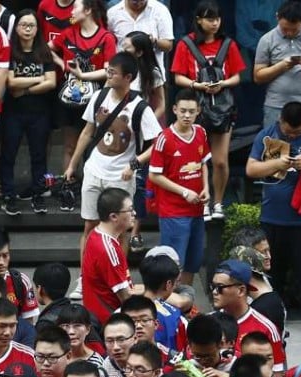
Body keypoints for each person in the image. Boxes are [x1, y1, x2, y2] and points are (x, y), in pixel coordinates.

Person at [64, 52, 162, 265]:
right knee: (89, 225)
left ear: (128, 77)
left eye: (113, 73)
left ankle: (120, 274)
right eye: (108, 71)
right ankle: (85, 276)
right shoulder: (99, 97)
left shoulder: (140, 107)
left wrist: (135, 164)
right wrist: (73, 165)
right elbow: (87, 132)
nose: (108, 76)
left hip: (121, 176)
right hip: (94, 170)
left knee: (121, 230)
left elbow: (158, 143)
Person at [170, 0, 245, 222]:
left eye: (217, 18)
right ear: (199, 20)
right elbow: (177, 77)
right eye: (209, 18)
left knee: (220, 161)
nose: (214, 23)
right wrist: (197, 85)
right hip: (196, 108)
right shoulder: (186, 44)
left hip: (223, 107)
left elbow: (238, 76)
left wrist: (223, 84)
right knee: (197, 159)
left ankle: (218, 202)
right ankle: (202, 201)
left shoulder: (228, 44)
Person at [246, 101, 301, 327]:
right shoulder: (267, 135)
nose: (293, 135)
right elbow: (251, 170)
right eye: (288, 131)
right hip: (272, 217)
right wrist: (277, 163)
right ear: (280, 121)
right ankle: (275, 311)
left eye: (298, 132)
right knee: (275, 268)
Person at [149, 90, 209, 286]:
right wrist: (184, 192)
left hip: (197, 210)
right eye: (183, 111)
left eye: (191, 111)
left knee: (193, 262)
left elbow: (203, 163)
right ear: (174, 109)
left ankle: (187, 303)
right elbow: (154, 175)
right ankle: (171, 306)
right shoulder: (164, 138)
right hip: (174, 212)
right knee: (174, 265)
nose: (187, 115)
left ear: (198, 111)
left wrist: (207, 188)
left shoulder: (201, 132)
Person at [47, 0, 116, 171]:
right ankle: (67, 186)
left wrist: (83, 75)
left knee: (93, 148)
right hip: (70, 98)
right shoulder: (68, 33)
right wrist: (60, 62)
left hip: (95, 99)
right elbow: (45, 49)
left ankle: (89, 188)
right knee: (70, 146)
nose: (71, 12)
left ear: (87, 10)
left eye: (75, 8)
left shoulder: (106, 38)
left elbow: (109, 72)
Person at [0, 9, 55, 214]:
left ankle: (38, 194)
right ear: (17, 28)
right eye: (24, 25)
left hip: (39, 112)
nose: (28, 29)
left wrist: (25, 90)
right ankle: (8, 194)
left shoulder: (43, 52)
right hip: (13, 113)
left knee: (39, 154)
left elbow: (52, 82)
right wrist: (39, 79)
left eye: (32, 25)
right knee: (8, 154)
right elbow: (11, 82)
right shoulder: (10, 50)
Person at [210, 259, 285, 373]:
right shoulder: (207, 322)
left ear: (241, 290)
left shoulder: (267, 329)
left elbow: (278, 375)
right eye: (212, 286)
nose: (214, 292)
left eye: (220, 287)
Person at [254, 1, 301, 128]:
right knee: (275, 146)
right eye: (285, 29)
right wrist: (280, 66)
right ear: (277, 17)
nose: (290, 33)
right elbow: (257, 77)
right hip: (276, 105)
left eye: (294, 29)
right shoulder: (266, 40)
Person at [81, 187, 133, 325]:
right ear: (114, 216)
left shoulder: (95, 234)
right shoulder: (108, 250)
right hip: (111, 322)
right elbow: (125, 297)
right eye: (130, 210)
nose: (134, 213)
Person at [107, 0, 173, 81]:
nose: (137, 2)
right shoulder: (113, 13)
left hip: (150, 76)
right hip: (122, 76)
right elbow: (107, 41)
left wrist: (154, 41)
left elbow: (168, 45)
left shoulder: (160, 10)